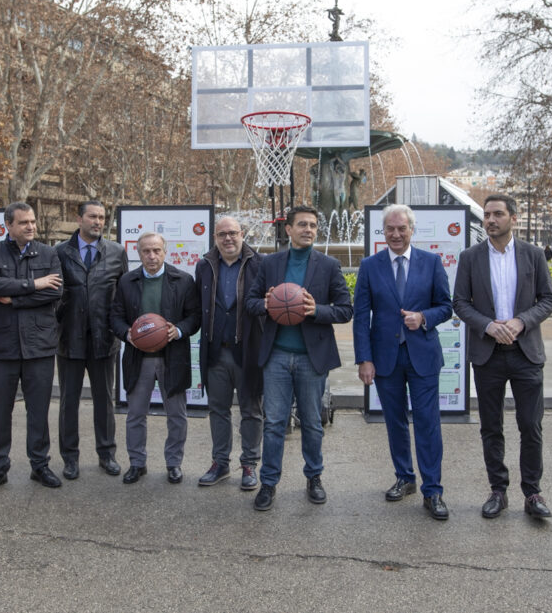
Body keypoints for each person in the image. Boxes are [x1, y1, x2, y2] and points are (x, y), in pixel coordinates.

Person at [453, 193, 552, 520]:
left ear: (513, 217)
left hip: (526, 353)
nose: (491, 220)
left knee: (530, 424)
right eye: (487, 215)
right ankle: (498, 490)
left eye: (497, 214)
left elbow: (547, 299)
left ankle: (533, 492)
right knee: (491, 427)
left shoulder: (533, 255)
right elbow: (460, 303)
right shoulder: (470, 257)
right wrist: (487, 326)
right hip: (488, 355)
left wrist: (520, 322)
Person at [245, 205, 353, 511]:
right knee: (274, 423)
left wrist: (315, 310)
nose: (309, 229)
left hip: (311, 357)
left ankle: (314, 477)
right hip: (276, 356)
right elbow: (251, 303)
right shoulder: (270, 263)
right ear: (288, 230)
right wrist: (266, 304)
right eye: (302, 224)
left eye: (313, 225)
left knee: (312, 424)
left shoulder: (329, 265)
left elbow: (346, 310)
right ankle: (268, 483)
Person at [353, 204, 453, 520]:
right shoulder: (370, 266)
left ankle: (433, 490)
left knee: (427, 422)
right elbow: (360, 316)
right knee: (395, 421)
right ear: (384, 232)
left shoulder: (432, 263)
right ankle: (405, 478)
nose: (396, 234)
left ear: (412, 230)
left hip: (423, 355)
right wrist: (364, 359)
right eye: (390, 229)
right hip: (385, 359)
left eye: (402, 228)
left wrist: (424, 317)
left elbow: (447, 307)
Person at [0, 202, 63, 496]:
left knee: (38, 411)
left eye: (33, 222)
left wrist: (14, 297)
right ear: (8, 225)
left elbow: (55, 291)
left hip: (39, 346)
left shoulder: (49, 254)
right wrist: (33, 284)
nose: (30, 227)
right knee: (0, 412)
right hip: (2, 347)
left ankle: (40, 465)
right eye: (23, 222)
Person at [110, 232, 201, 485]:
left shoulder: (183, 280)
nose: (152, 256)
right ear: (138, 253)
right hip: (139, 358)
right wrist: (127, 334)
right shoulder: (127, 281)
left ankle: (174, 463)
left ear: (165, 251)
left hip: (173, 357)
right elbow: (115, 316)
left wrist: (179, 329)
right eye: (146, 251)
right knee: (136, 415)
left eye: (156, 250)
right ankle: (137, 463)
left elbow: (195, 316)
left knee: (177, 416)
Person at [55, 200, 127, 480]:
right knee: (68, 402)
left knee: (104, 400)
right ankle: (69, 458)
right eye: (92, 216)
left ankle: (107, 454)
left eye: (102, 217)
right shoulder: (59, 252)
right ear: (79, 218)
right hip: (69, 339)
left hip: (103, 340)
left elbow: (122, 296)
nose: (98, 221)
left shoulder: (116, 252)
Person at [194, 216, 263, 490]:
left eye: (233, 233)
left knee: (251, 411)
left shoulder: (260, 265)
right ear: (215, 237)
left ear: (242, 233)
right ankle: (220, 463)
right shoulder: (204, 266)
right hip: (215, 352)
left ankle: (249, 464)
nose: (228, 239)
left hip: (248, 351)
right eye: (222, 234)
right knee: (218, 410)